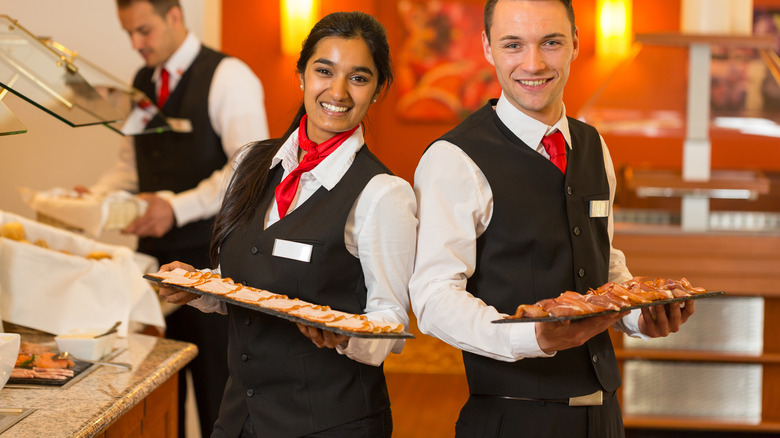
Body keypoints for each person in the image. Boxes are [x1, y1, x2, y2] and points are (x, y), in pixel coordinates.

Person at [408, 1, 696, 437]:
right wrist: (530, 338)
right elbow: (432, 298)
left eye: (551, 42)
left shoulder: (593, 144)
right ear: (487, 47)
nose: (533, 63)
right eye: (513, 44)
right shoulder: (453, 158)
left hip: (604, 415)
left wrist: (638, 315)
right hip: (513, 418)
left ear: (575, 44)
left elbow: (604, 260)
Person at [156, 11, 416, 437]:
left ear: (377, 90)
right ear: (301, 75)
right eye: (324, 70)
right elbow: (240, 280)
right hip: (240, 417)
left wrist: (344, 333)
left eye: (359, 77)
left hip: (330, 423)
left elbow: (391, 322)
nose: (337, 91)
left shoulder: (383, 193)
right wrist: (198, 286)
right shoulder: (248, 163)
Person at [79, 0, 270, 436]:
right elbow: (131, 165)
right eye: (128, 33)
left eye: (143, 31)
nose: (136, 44)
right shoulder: (141, 81)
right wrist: (93, 195)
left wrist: (175, 208)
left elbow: (247, 168)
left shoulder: (228, 76)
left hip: (211, 265)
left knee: (215, 398)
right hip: (150, 267)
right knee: (154, 392)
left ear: (175, 17)